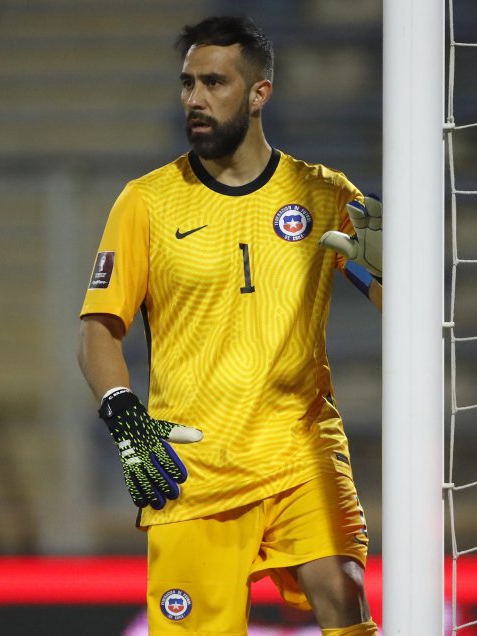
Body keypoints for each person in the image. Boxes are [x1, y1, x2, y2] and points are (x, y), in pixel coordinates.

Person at [77, 15, 382, 636]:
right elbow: (97, 332)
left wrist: (394, 267)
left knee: (343, 593)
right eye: (187, 83)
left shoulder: (323, 194)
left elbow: (399, 306)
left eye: (214, 83)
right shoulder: (146, 201)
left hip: (301, 451)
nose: (195, 98)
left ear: (259, 93)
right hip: (194, 470)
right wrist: (126, 419)